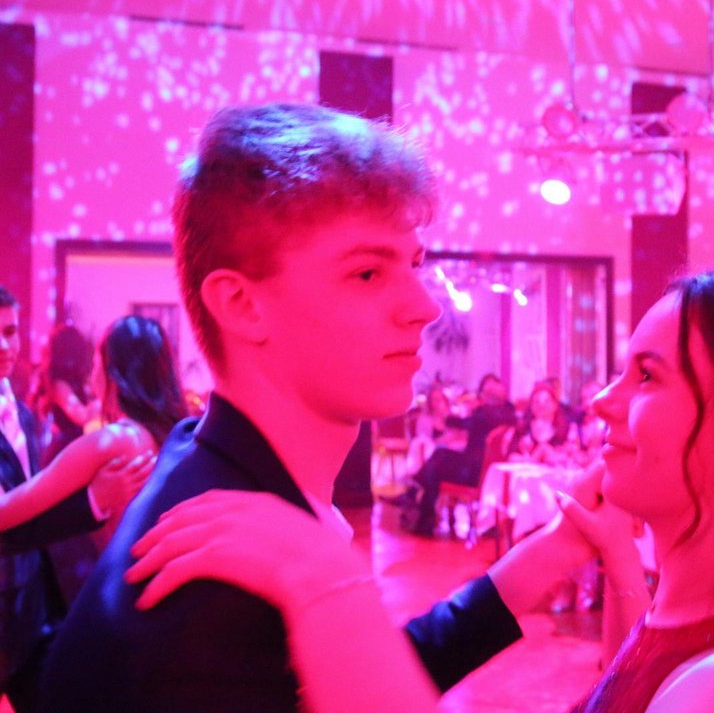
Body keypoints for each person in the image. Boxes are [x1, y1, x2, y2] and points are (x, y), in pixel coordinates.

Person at [128, 270, 714, 712]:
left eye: (648, 376)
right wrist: (597, 558)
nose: (601, 401)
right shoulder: (704, 615)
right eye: (367, 272)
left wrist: (325, 584)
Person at [35, 104, 534, 713]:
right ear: (241, 305)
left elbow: (351, 673)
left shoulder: (217, 463)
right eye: (368, 273)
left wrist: (549, 556)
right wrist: (331, 581)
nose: (425, 307)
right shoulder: (214, 598)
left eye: (414, 264)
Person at [0, 288, 141, 713]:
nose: (5, 346)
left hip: (28, 604)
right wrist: (92, 502)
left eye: (10, 332)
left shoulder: (21, 413)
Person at [39, 315, 186, 603]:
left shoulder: (116, 440)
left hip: (116, 598)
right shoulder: (175, 436)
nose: (90, 371)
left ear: (113, 371)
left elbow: (17, 510)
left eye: (96, 361)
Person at [405, 372, 517, 535]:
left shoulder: (484, 413)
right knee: (438, 458)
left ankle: (416, 498)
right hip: (484, 470)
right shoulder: (509, 413)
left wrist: (446, 416)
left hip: (473, 472)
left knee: (435, 466)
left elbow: (465, 424)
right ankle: (419, 507)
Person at [33, 324, 98, 456]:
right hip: (64, 450)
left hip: (74, 447)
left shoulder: (75, 379)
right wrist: (106, 399)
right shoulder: (58, 383)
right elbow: (82, 415)